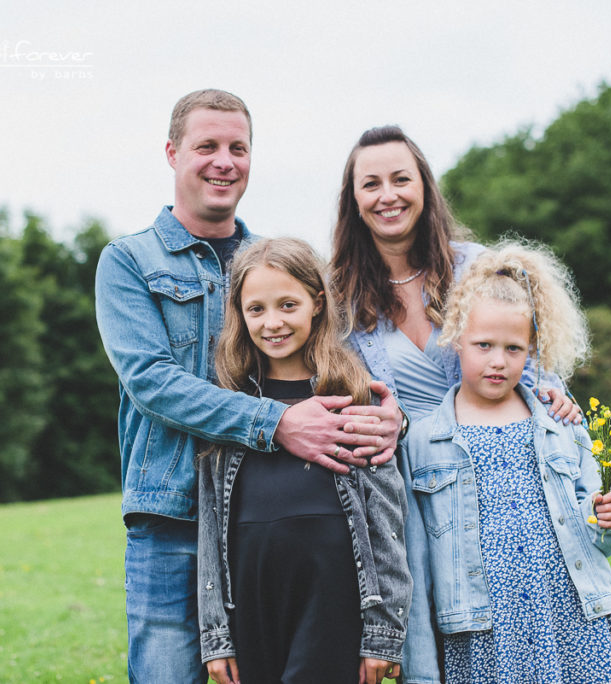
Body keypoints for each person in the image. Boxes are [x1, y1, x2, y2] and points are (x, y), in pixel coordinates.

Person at [95, 90, 403, 683]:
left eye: (238, 147)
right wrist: (278, 423)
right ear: (171, 152)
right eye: (206, 146)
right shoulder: (129, 261)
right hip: (172, 518)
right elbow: (151, 381)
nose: (224, 161)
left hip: (271, 524)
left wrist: (391, 418)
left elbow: (343, 365)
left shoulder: (276, 264)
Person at [401, 241, 611, 683]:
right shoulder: (423, 440)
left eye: (513, 348)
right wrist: (421, 673)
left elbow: (598, 528)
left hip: (570, 618)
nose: (497, 361)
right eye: (483, 345)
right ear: (455, 339)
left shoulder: (560, 423)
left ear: (532, 349)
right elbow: (416, 566)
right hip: (482, 634)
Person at [197, 238, 413, 684]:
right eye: (256, 309)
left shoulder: (354, 397)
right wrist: (216, 634)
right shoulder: (228, 407)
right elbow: (209, 526)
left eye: (288, 305)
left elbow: (386, 524)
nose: (272, 322)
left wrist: (382, 633)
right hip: (252, 601)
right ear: (239, 313)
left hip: (333, 597)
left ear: (317, 304)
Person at [331, 125, 580, 424]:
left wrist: (549, 390)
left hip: (488, 448)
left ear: (424, 186)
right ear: (354, 200)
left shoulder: (477, 268)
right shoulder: (338, 297)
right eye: (371, 184)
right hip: (403, 464)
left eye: (401, 180)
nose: (388, 195)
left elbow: (525, 354)